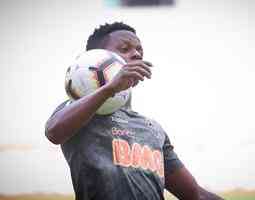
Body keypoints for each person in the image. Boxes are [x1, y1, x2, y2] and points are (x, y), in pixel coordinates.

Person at [45, 22, 224, 200]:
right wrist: (109, 89)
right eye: (125, 48)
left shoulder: (152, 128)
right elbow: (54, 132)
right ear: (96, 58)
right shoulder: (80, 111)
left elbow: (195, 194)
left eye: (140, 51)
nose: (137, 54)